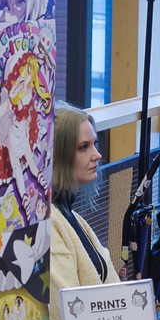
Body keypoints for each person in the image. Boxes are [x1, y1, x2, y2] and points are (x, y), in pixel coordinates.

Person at [50, 103, 116, 290]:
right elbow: (65, 302)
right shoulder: (48, 223)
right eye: (83, 147)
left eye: (94, 144)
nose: (97, 155)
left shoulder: (69, 216)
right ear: (57, 155)